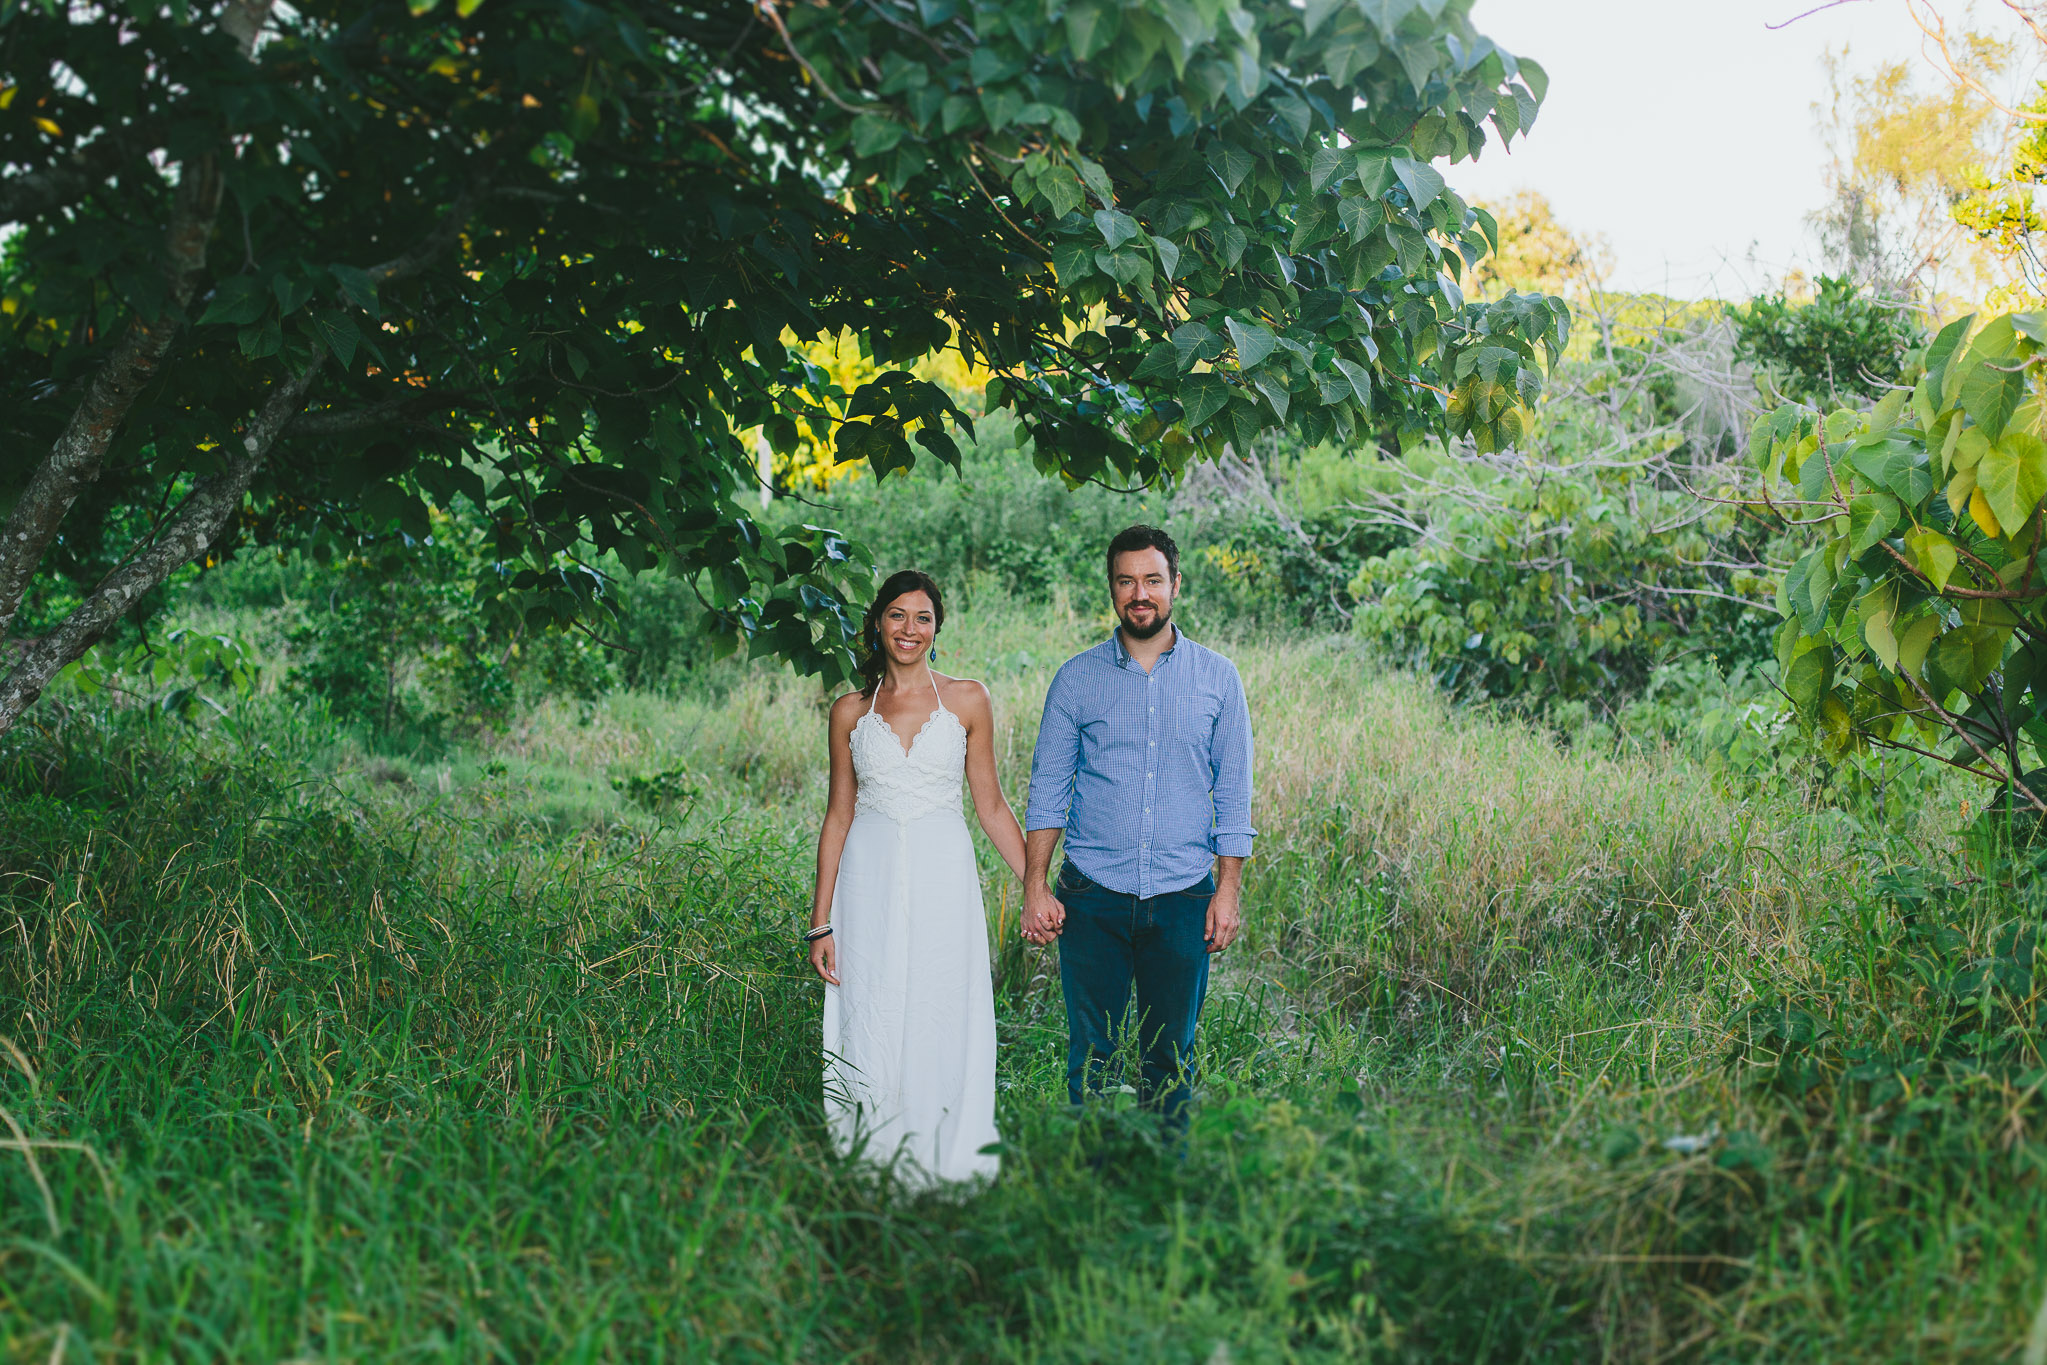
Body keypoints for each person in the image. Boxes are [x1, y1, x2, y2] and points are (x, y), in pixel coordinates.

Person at [1020, 525, 1255, 1131]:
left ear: (1176, 584)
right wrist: (1035, 886)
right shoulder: (1076, 679)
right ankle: (1098, 1187)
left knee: (1170, 1058)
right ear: (1113, 590)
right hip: (1092, 896)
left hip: (1182, 896)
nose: (1140, 592)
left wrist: (1226, 892)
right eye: (1126, 580)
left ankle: (1160, 1184)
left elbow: (1232, 792)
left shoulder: (1218, 678)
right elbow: (1048, 788)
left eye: (1152, 579)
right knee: (1091, 1056)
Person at [806, 569, 1027, 1185]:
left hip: (942, 875)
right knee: (871, 1002)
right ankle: (870, 1158)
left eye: (923, 617)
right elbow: (838, 815)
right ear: (878, 623)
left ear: (937, 628)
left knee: (937, 1002)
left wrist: (1037, 884)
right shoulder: (850, 710)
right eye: (898, 615)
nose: (910, 629)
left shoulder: (967, 699)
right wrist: (820, 921)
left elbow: (991, 806)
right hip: (867, 880)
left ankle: (942, 1155)